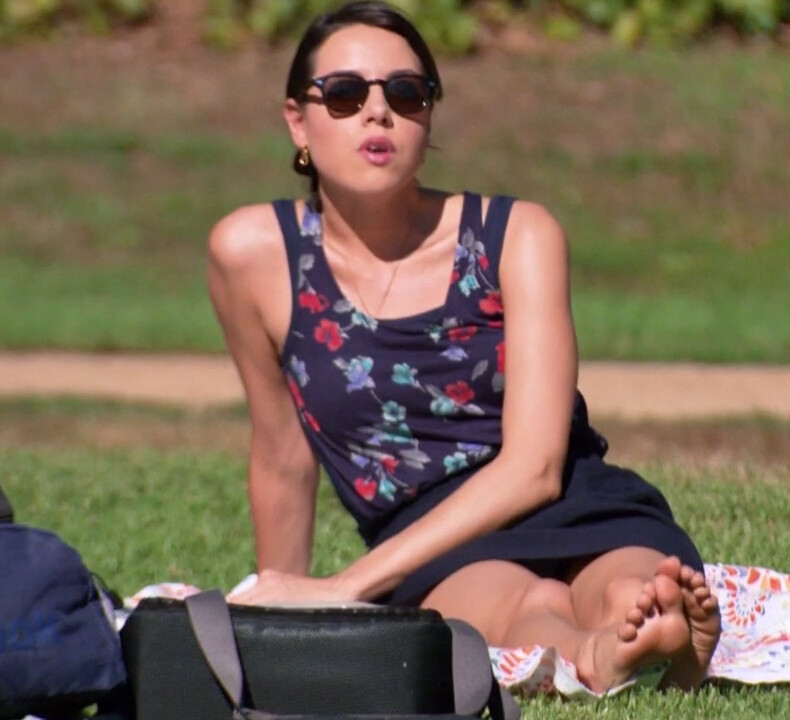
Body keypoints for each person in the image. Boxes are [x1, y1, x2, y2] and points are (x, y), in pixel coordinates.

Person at [205, 0, 720, 693]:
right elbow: (282, 454)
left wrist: (344, 585)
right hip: (428, 541)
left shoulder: (517, 234)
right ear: (298, 120)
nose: (378, 112)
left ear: (428, 117)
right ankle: (602, 651)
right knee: (517, 606)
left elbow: (537, 468)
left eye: (406, 94)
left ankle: (652, 623)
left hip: (574, 496)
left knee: (628, 582)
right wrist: (284, 611)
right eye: (346, 94)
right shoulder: (252, 254)